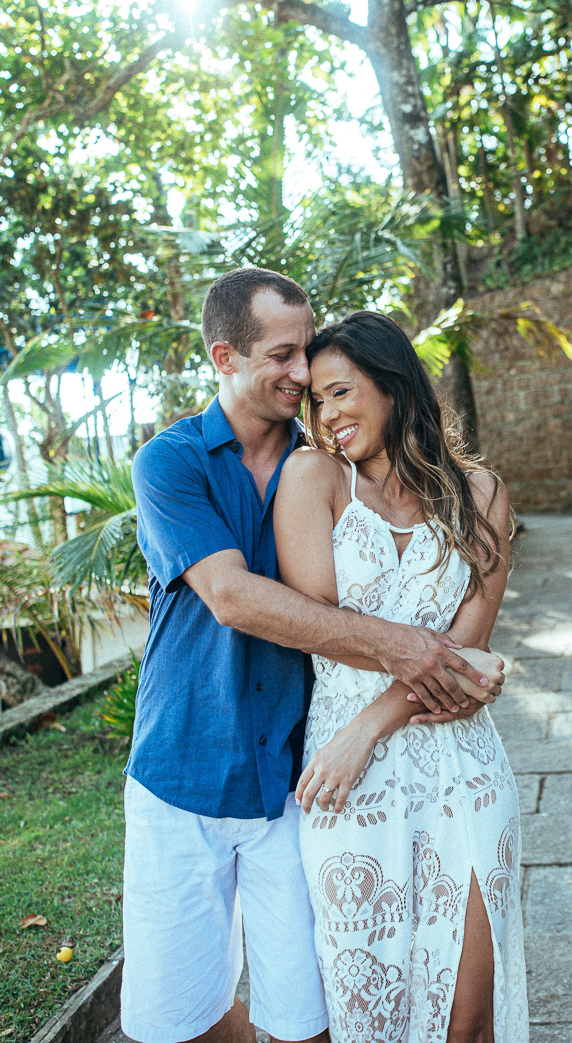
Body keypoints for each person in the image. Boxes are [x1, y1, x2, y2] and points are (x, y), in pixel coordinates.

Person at [124, 269, 503, 1043]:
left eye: (316, 363)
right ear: (225, 357)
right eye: (285, 357)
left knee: (309, 1020)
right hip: (185, 767)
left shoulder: (328, 464)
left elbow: (459, 599)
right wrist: (413, 652)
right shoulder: (173, 463)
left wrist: (414, 679)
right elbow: (233, 597)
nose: (305, 379)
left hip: (296, 778)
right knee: (177, 1020)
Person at [274, 311, 529, 1043]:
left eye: (341, 392)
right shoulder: (314, 479)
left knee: (467, 1016)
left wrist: (367, 728)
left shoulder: (482, 495)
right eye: (317, 401)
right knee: (367, 1015)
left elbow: (470, 641)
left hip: (463, 773)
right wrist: (450, 670)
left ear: (392, 385)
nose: (327, 416)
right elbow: (322, 627)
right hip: (348, 792)